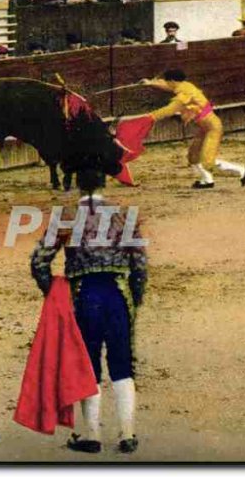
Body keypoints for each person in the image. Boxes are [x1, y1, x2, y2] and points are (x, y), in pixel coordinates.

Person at [30, 165, 148, 454]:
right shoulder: (123, 215)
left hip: (83, 295)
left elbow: (39, 262)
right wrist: (134, 298)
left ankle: (91, 434)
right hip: (118, 294)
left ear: (78, 186)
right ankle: (127, 433)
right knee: (122, 361)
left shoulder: (67, 217)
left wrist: (55, 293)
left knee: (88, 363)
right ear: (104, 183)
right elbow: (140, 265)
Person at [140, 69, 245, 189]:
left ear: (172, 81)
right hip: (204, 128)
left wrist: (150, 116)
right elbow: (168, 86)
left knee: (208, 161)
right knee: (193, 157)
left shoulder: (185, 93)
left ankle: (241, 169)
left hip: (213, 128)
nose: (167, 84)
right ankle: (207, 181)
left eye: (168, 81)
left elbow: (170, 109)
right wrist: (151, 82)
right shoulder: (184, 85)